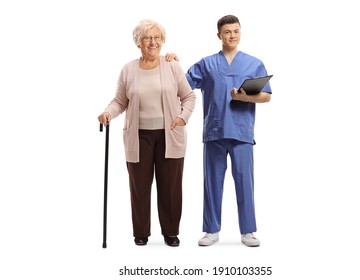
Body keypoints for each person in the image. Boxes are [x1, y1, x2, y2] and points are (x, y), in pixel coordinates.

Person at [98, 19, 196, 247]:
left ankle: (171, 232)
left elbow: (189, 96)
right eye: (147, 38)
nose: (153, 42)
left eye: (157, 37)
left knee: (170, 187)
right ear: (138, 42)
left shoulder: (172, 65)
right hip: (138, 136)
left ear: (162, 41)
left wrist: (182, 117)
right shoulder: (128, 69)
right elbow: (119, 101)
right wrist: (107, 113)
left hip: (169, 135)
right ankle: (141, 232)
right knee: (139, 187)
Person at [185, 15, 272, 247]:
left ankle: (248, 231)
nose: (232, 35)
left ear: (240, 33)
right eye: (227, 32)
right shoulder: (206, 64)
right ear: (219, 35)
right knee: (212, 182)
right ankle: (211, 231)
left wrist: (245, 97)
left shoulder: (254, 64)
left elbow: (266, 96)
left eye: (236, 31)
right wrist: (171, 62)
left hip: (242, 131)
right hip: (214, 130)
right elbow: (183, 84)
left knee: (245, 181)